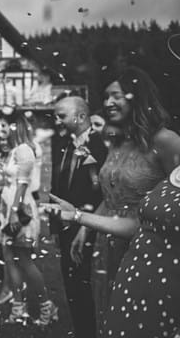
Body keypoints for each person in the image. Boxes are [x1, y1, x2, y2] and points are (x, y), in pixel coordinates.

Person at [50, 66, 180, 336]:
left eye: (116, 96)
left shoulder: (166, 141)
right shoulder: (118, 143)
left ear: (137, 97)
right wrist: (85, 228)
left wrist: (78, 218)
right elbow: (111, 194)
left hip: (151, 248)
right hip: (108, 246)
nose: (108, 102)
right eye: (106, 96)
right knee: (110, 318)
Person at [52, 165, 180, 338]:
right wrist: (77, 216)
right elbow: (139, 226)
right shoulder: (175, 169)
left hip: (165, 295)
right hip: (130, 285)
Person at [51, 96, 108, 338]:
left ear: (81, 116)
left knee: (93, 289)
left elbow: (105, 190)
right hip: (66, 226)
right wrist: (56, 227)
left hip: (95, 226)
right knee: (73, 287)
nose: (56, 121)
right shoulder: (62, 144)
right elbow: (58, 185)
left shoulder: (102, 145)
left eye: (61, 115)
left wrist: (87, 224)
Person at [0, 114, 58, 325]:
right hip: (8, 209)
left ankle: (46, 307)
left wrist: (14, 211)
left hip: (20, 210)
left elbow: (23, 183)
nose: (1, 129)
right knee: (10, 258)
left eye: (4, 125)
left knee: (24, 260)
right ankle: (18, 307)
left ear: (15, 127)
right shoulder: (13, 151)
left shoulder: (24, 149)